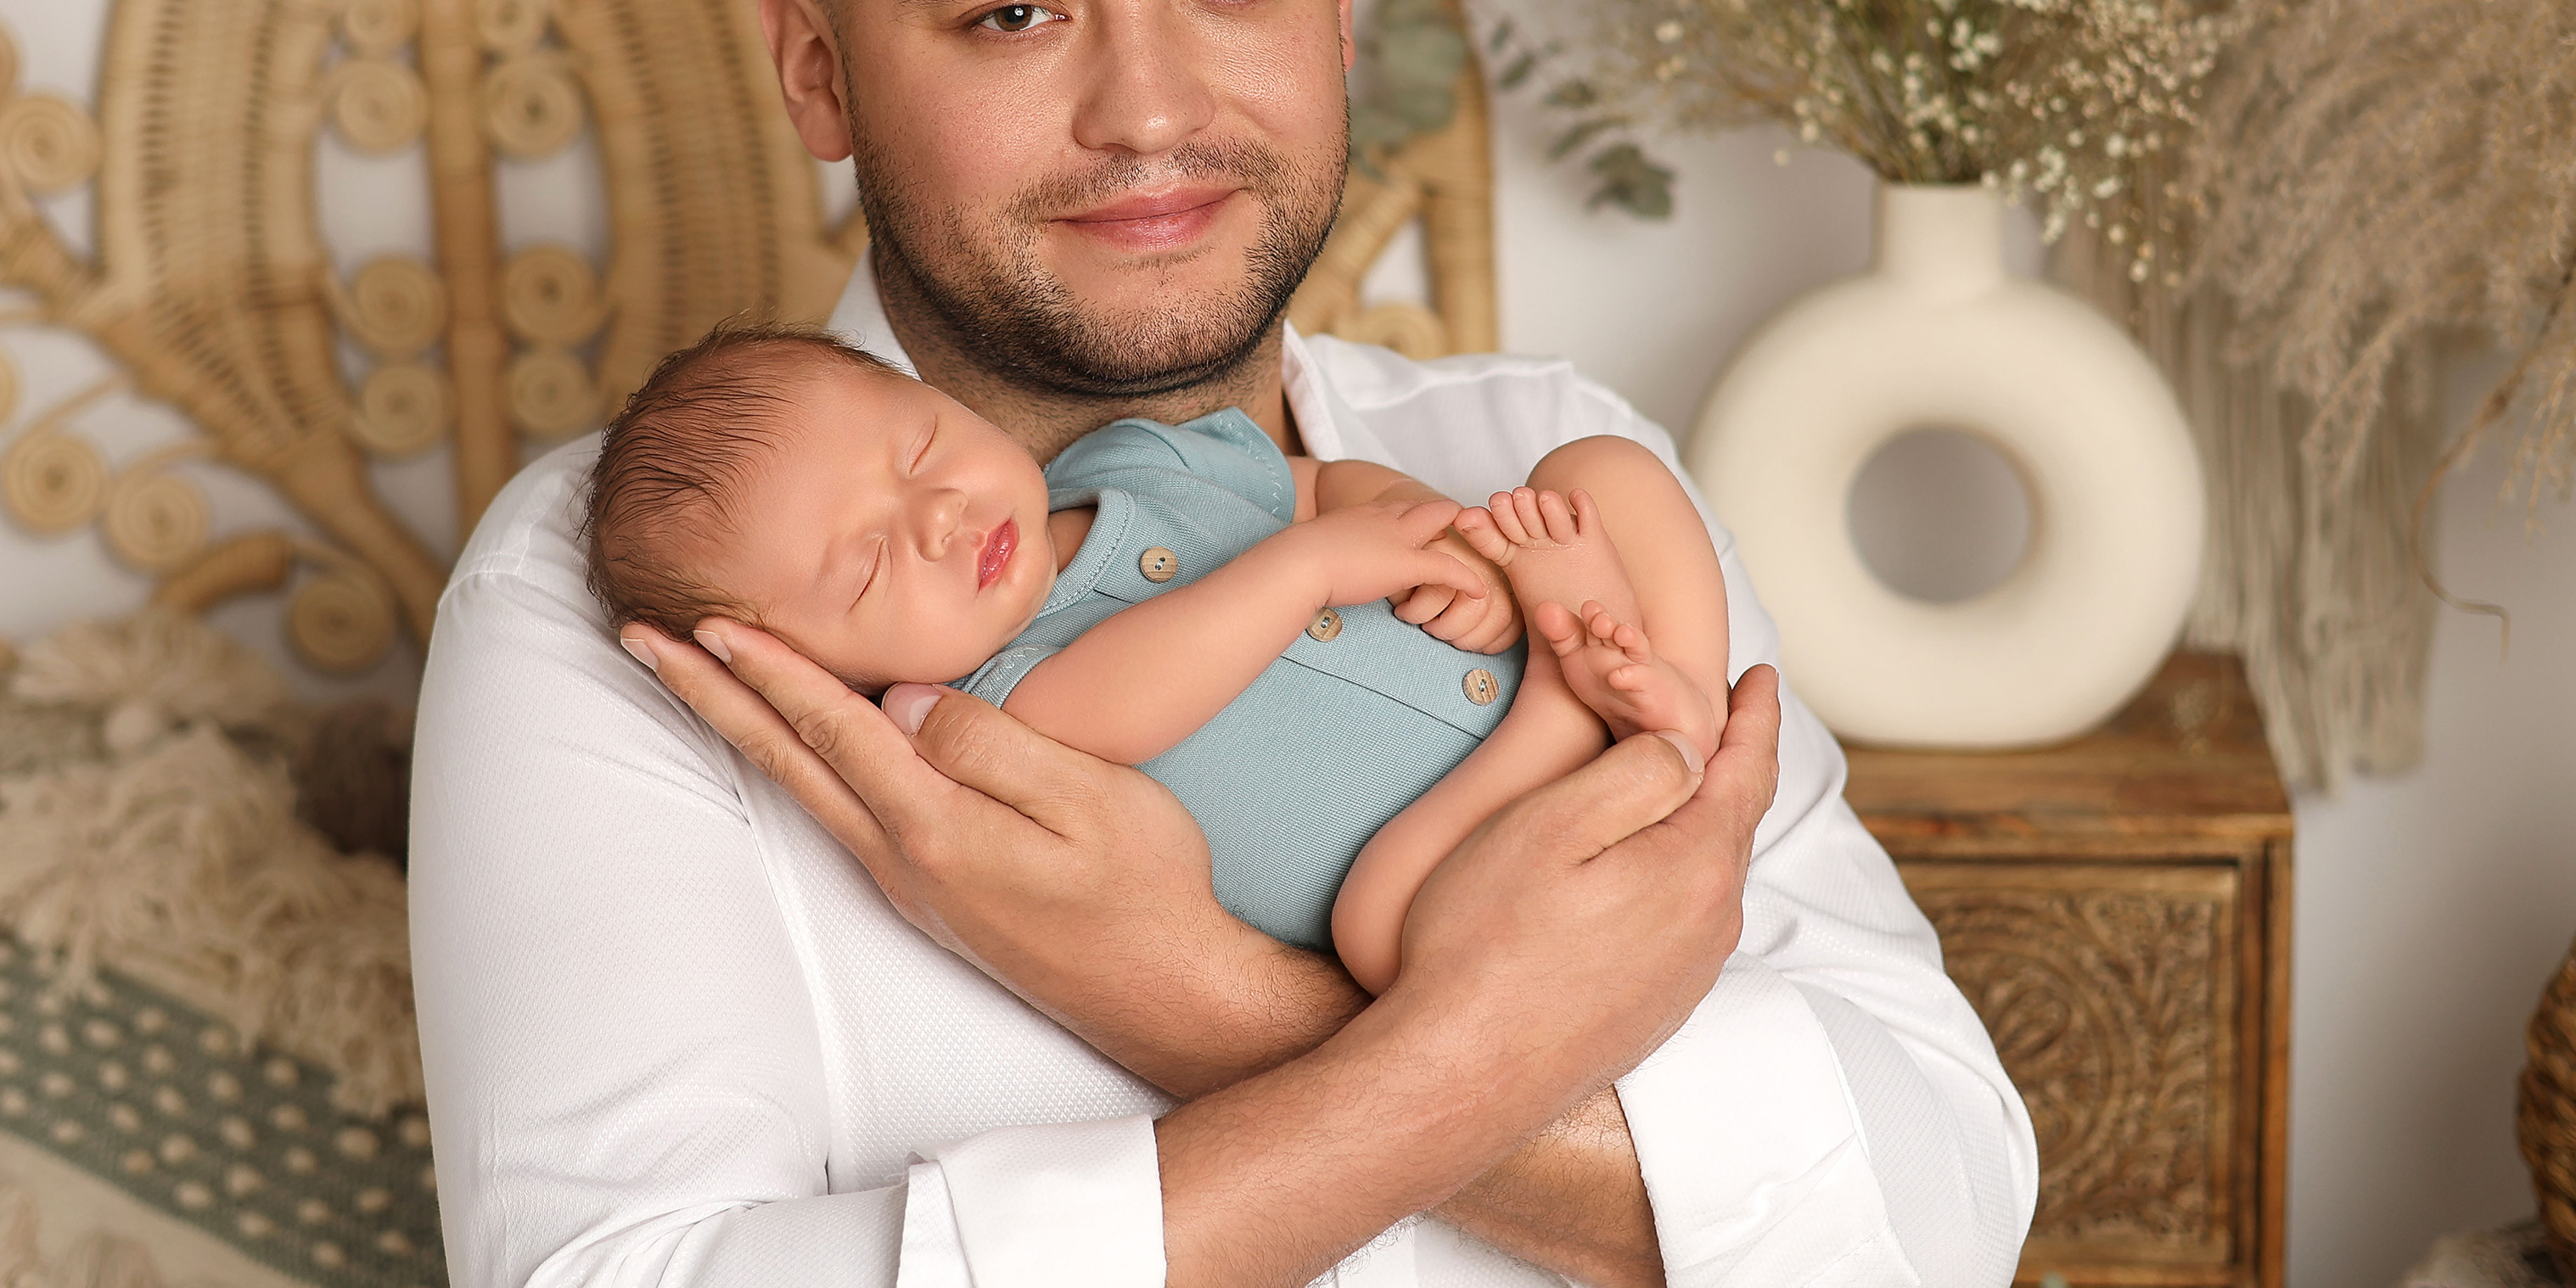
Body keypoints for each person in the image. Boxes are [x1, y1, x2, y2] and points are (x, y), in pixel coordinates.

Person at [407, 0, 2037, 1288]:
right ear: (818, 69)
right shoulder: (641, 609)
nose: (1151, 111)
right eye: (1015, 15)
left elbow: (1944, 1214)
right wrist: (1440, 1066)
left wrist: (1206, 1001)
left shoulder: (1545, 466)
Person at [579, 323, 1732, 993]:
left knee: (1605, 472)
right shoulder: (985, 715)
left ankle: (1662, 694)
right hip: (1472, 852)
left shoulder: (1137, 462)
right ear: (810, 676)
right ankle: (1592, 719)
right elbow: (1125, 705)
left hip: (1518, 649)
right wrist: (1311, 568)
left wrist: (1438, 540)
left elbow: (1316, 484)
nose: (936, 517)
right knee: (1382, 932)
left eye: (919, 448)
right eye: (870, 565)